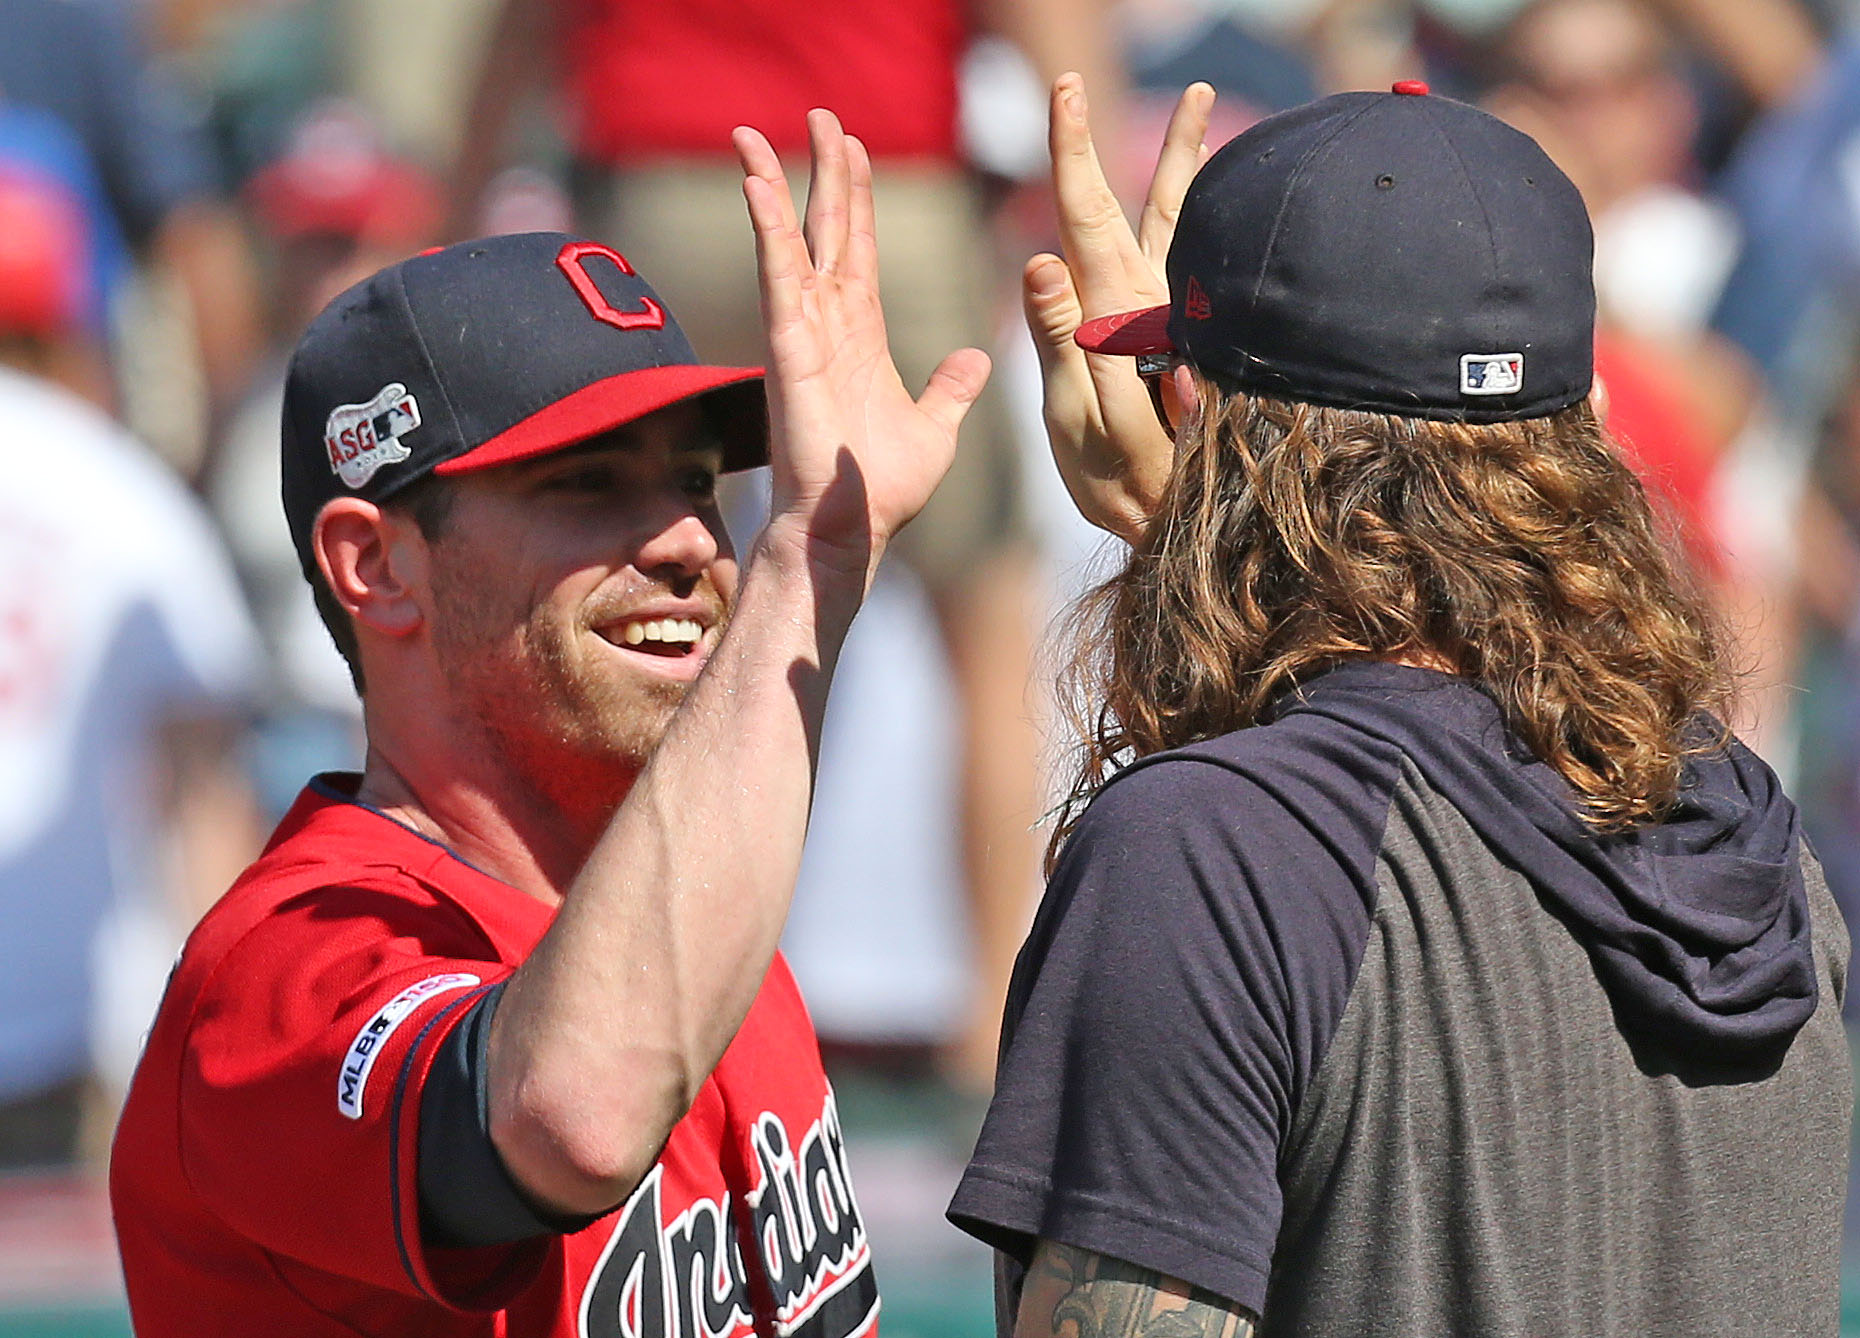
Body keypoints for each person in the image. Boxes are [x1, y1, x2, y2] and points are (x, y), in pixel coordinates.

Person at [947, 78, 1853, 1336]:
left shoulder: (1208, 856)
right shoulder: (1760, 855)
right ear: (1578, 429)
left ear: (1192, 417)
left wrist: (1171, 553)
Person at [109, 111, 990, 1332]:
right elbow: (570, 1112)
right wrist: (811, 564)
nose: (690, 538)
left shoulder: (704, 902)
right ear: (377, 567)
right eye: (586, 486)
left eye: (693, 481)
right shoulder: (284, 972)